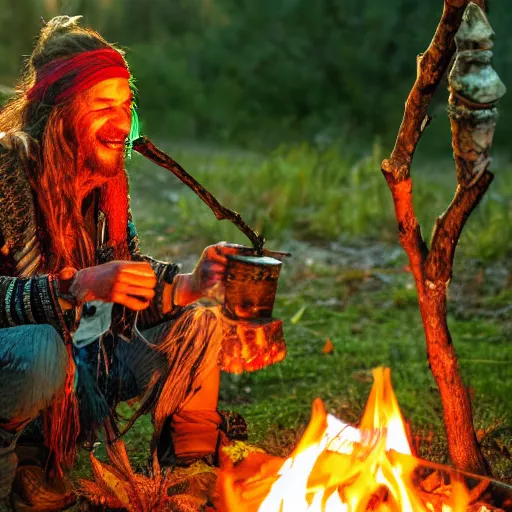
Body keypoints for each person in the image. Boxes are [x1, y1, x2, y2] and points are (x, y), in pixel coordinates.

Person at [0, 15, 242, 511]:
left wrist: (190, 285)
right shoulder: (7, 171)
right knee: (46, 348)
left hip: (82, 375)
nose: (121, 121)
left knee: (201, 323)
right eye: (102, 105)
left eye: (126, 104)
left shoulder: (105, 186)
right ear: (58, 109)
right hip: (25, 366)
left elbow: (122, 279)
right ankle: (18, 460)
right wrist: (73, 287)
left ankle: (189, 477)